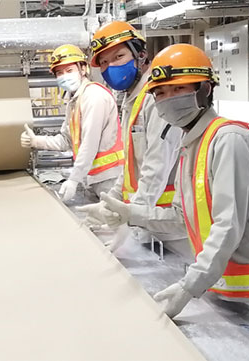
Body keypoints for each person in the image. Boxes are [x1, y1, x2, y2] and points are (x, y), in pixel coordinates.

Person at [100, 44, 249, 331]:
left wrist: (189, 286)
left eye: (178, 89)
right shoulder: (191, 146)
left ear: (205, 89)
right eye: (160, 93)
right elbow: (183, 217)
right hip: (226, 287)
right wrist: (131, 214)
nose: (167, 99)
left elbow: (227, 226)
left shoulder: (229, 140)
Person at [76, 21, 184, 249]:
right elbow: (132, 167)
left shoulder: (157, 98)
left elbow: (156, 169)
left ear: (141, 55)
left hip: (174, 230)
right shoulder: (131, 99)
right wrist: (111, 203)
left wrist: (130, 219)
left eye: (118, 57)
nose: (110, 66)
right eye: (104, 62)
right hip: (151, 222)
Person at [20, 44, 122, 202]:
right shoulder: (75, 100)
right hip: (92, 177)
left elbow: (90, 143)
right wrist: (36, 141)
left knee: (112, 222)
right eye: (59, 73)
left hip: (110, 178)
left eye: (69, 71)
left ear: (83, 69)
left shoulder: (94, 96)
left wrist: (74, 179)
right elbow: (66, 140)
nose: (64, 76)